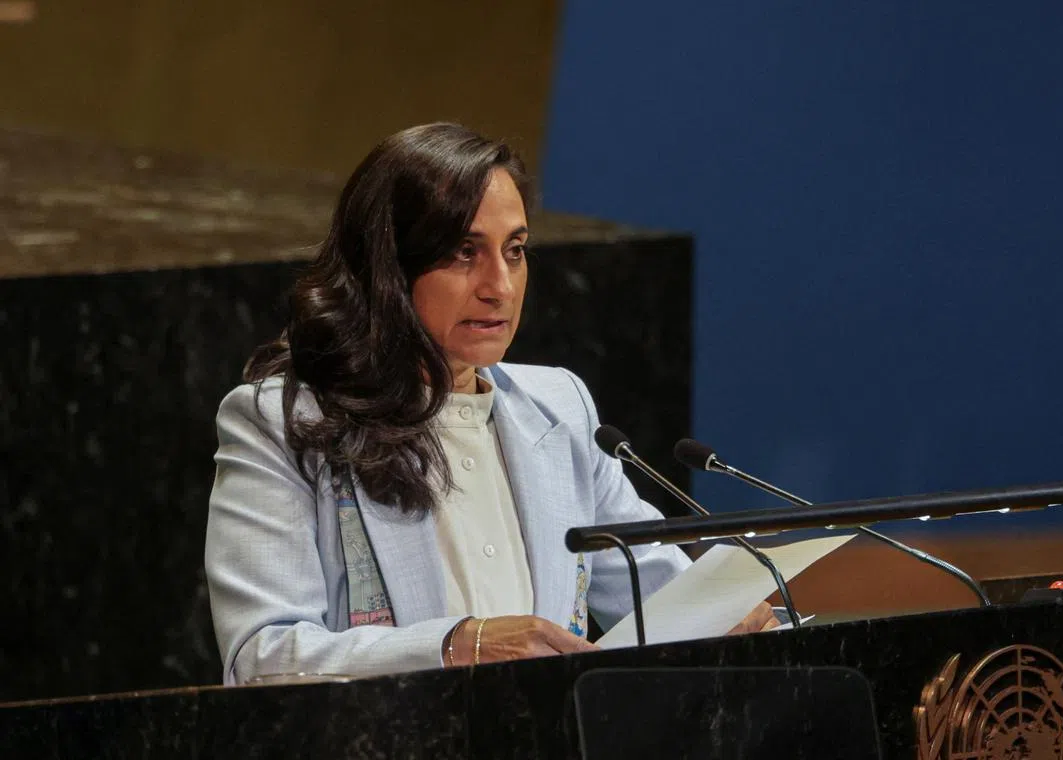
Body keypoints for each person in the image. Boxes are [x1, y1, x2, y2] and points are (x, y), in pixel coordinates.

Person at [204, 123, 777, 685]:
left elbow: (657, 585)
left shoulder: (560, 406)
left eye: (516, 250)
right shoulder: (286, 423)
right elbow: (263, 657)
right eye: (462, 252)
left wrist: (724, 614)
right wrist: (458, 644)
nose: (499, 285)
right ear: (387, 266)